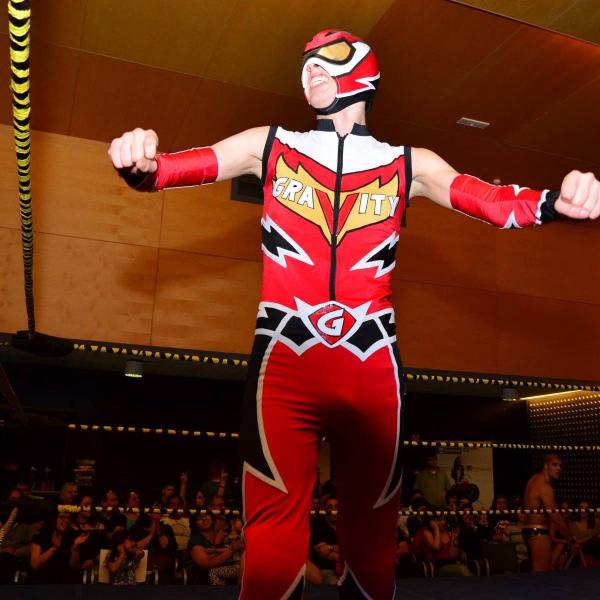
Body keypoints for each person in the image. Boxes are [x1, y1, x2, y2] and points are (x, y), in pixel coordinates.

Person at [109, 28, 600, 599]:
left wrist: (555, 203)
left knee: (371, 541)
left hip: (371, 363)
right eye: (305, 63)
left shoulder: (409, 163)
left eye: (329, 56)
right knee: (271, 539)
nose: (312, 68)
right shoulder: (268, 144)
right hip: (284, 360)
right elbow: (173, 170)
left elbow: (487, 200)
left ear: (367, 68)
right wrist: (137, 161)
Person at [523, 454, 572, 572]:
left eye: (560, 465)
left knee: (546, 570)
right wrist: (570, 537)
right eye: (554, 465)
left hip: (529, 530)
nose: (558, 468)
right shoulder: (544, 486)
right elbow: (554, 515)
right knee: (542, 576)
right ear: (545, 466)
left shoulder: (533, 479)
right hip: (538, 532)